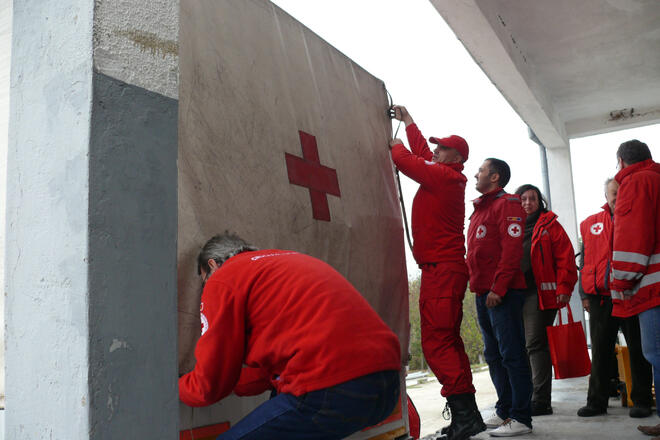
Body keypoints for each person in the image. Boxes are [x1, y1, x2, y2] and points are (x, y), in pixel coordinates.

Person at [179, 232, 402, 440]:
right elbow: (267, 375)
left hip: (331, 386)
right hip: (386, 384)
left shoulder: (223, 277)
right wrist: (232, 383)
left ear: (212, 264)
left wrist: (175, 386)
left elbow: (208, 386)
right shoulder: (286, 260)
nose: (205, 288)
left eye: (203, 280)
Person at [389, 105, 485, 440]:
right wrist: (408, 121)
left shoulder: (445, 177)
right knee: (448, 342)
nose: (434, 150)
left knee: (437, 344)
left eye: (441, 148)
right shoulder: (444, 173)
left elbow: (405, 160)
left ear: (454, 156)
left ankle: (465, 416)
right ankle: (468, 415)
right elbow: (420, 153)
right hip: (443, 271)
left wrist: (393, 144)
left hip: (441, 272)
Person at [467, 158, 533, 437]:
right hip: (483, 293)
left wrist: (499, 287)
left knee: (512, 354)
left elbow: (511, 249)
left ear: (494, 177)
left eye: (481, 170)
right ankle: (505, 409)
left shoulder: (508, 204)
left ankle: (521, 417)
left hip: (501, 294)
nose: (476, 174)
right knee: (493, 354)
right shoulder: (481, 208)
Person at [577, 177, 653, 418]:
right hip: (600, 298)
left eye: (621, 193)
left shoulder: (639, 219)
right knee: (600, 351)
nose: (617, 197)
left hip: (631, 294)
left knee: (638, 349)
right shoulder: (590, 223)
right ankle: (596, 402)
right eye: (613, 193)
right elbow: (585, 261)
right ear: (606, 196)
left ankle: (641, 400)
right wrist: (584, 294)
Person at [607, 140, 660, 436]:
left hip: (653, 289)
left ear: (622, 162)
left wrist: (623, 281)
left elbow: (633, 236)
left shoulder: (635, 182)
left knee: (657, 354)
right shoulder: (656, 178)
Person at [514, 184, 577, 417]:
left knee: (534, 344)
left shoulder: (550, 225)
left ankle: (541, 401)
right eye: (523, 199)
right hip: (513, 294)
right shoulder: (511, 225)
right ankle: (525, 396)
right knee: (519, 346)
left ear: (540, 202)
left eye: (533, 199)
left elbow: (566, 258)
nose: (528, 203)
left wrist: (564, 287)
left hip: (538, 295)